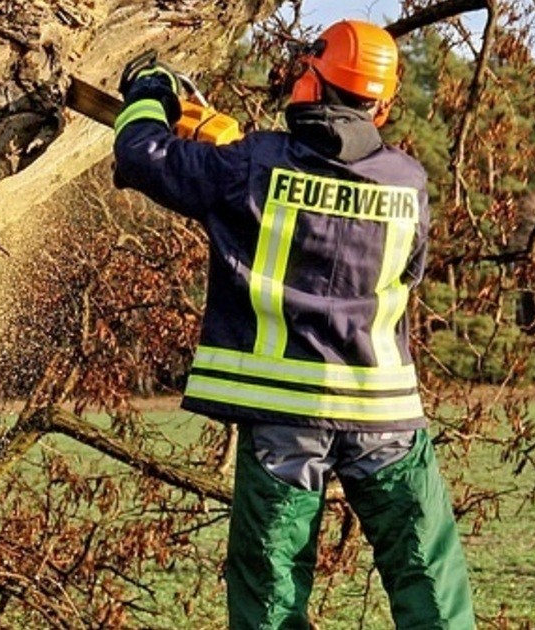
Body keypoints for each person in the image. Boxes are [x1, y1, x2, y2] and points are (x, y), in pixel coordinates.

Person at [112, 19, 474, 629]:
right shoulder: (407, 181)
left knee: (271, 593)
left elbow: (142, 155)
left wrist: (150, 93)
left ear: (310, 81)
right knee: (427, 576)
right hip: (384, 413)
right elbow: (408, 273)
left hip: (284, 422)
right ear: (380, 105)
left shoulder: (250, 165)